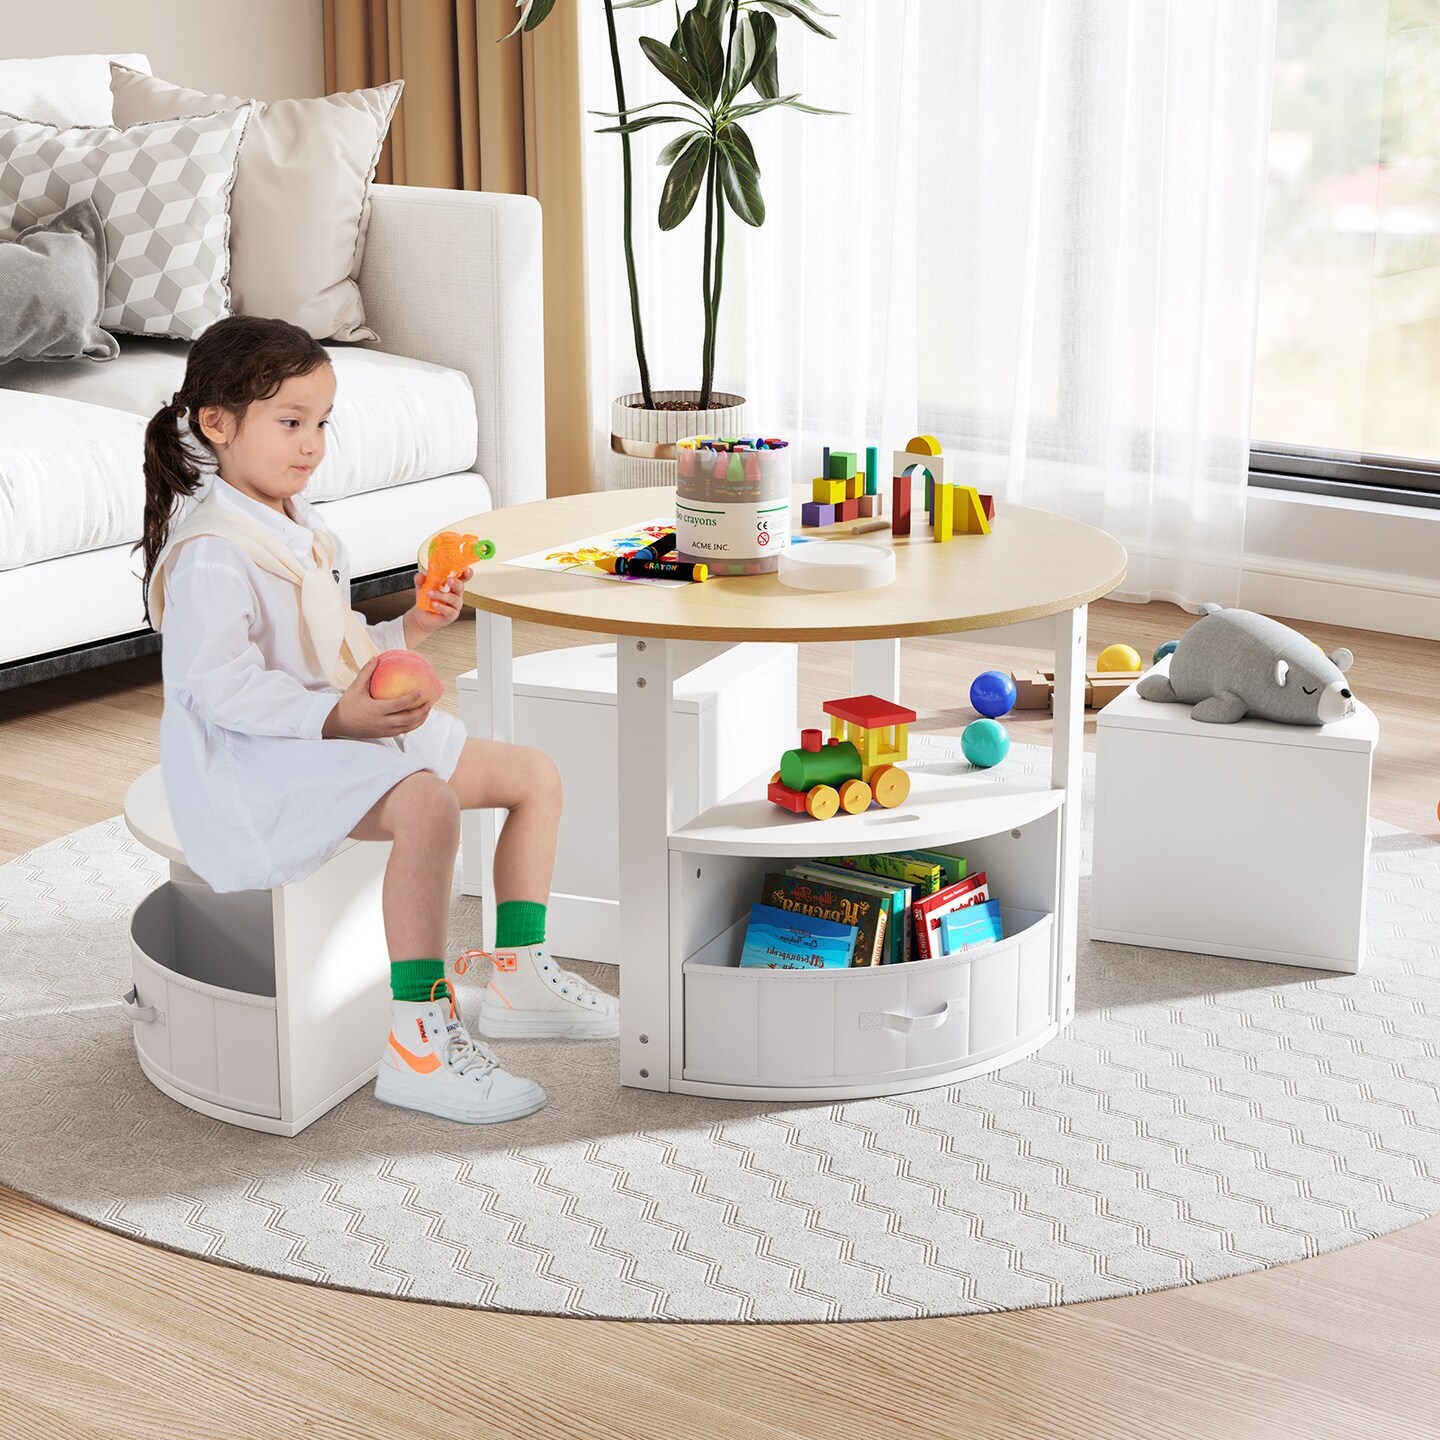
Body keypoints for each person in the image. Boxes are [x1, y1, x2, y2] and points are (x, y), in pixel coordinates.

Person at [136, 314, 618, 1126]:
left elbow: (336, 649)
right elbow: (220, 691)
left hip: (328, 730)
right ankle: (419, 1037)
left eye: (321, 423)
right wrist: (342, 719)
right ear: (216, 424)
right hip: (255, 762)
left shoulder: (301, 525)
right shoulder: (214, 552)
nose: (311, 444)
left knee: (534, 776)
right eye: (290, 423)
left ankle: (517, 976)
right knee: (427, 803)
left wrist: (414, 630)